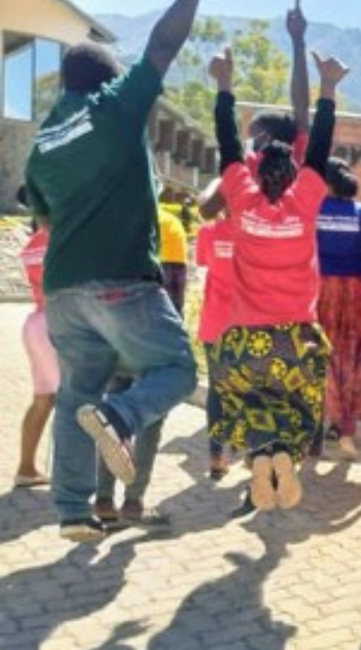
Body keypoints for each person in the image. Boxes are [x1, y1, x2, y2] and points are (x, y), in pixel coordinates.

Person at [23, 0, 201, 543]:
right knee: (177, 369)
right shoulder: (115, 106)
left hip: (63, 292)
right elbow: (163, 44)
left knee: (78, 394)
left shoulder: (44, 144)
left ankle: (74, 511)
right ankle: (123, 417)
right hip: (121, 279)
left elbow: (45, 215)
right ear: (107, 76)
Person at [208, 43, 347, 511]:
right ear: (294, 175)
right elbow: (321, 146)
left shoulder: (243, 204)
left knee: (250, 407)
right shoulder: (305, 201)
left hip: (245, 339)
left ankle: (264, 456)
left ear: (254, 173)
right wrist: (328, 89)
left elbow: (228, 144)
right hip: (296, 339)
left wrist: (224, 88)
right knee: (298, 410)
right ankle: (284, 454)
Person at [92, 209, 192, 530]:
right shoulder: (171, 227)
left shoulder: (109, 225)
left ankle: (104, 500)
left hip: (115, 340)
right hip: (154, 346)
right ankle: (133, 503)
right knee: (149, 420)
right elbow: (174, 300)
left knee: (111, 418)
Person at [198, 1, 311, 221]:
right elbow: (302, 107)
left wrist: (217, 182)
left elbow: (207, 210)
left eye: (249, 136)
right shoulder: (299, 160)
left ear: (262, 138)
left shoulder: (250, 164)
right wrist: (298, 42)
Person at [316, 158, 361, 460]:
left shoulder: (313, 211)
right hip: (356, 294)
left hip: (319, 291)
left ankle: (314, 434)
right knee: (353, 358)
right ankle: (346, 430)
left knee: (318, 356)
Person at [194, 188, 236, 479]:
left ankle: (216, 455)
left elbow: (203, 263)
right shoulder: (254, 233)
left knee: (217, 390)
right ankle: (248, 452)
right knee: (247, 389)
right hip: (246, 323)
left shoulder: (207, 233)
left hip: (214, 322)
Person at [16, 190, 54, 489]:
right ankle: (74, 480)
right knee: (76, 401)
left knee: (42, 399)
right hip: (59, 322)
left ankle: (26, 468)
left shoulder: (32, 244)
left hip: (36, 323)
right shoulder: (62, 240)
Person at [158, 207, 189, 316]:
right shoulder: (170, 220)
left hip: (165, 262)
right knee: (174, 311)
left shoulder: (147, 217)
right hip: (176, 263)